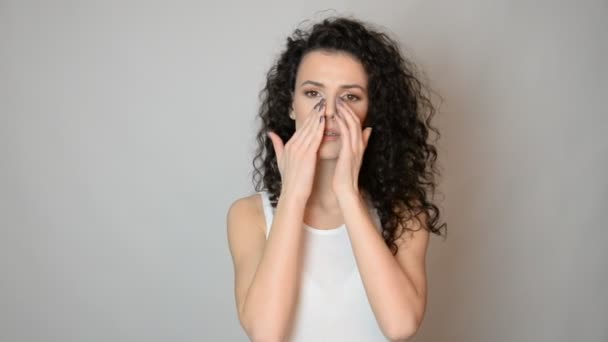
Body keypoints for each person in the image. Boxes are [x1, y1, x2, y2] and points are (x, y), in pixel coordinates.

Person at [227, 15, 447, 342]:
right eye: (313, 93)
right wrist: (292, 197)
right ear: (291, 105)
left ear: (372, 110)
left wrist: (347, 192)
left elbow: (400, 326)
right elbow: (265, 333)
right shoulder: (249, 216)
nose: (328, 111)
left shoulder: (404, 214)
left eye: (350, 97)